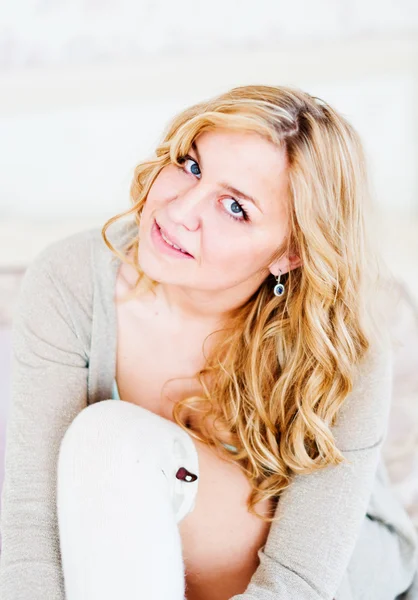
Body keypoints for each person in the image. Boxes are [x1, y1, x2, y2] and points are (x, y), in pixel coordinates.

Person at [0, 84, 417, 600]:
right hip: (129, 560)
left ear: (289, 254)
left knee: (111, 440)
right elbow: (34, 521)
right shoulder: (70, 279)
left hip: (327, 565)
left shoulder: (344, 339)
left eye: (235, 208)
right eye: (192, 167)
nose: (179, 211)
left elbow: (299, 582)